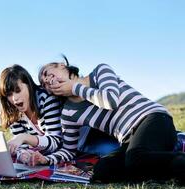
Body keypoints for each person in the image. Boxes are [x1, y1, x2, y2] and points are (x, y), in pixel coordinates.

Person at [33, 55, 185, 182]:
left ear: (61, 65)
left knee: (136, 159)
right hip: (129, 138)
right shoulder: (68, 113)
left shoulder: (100, 72)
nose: (47, 81)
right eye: (44, 84)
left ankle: (177, 159)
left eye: (47, 73)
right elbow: (68, 150)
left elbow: (111, 100)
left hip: (153, 118)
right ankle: (162, 162)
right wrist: (46, 160)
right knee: (103, 169)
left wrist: (74, 87)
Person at [0, 64, 63, 164]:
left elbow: (56, 142)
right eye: (9, 94)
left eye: (18, 90)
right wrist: (23, 155)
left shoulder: (46, 98)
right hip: (45, 157)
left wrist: (24, 137)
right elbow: (21, 146)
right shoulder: (13, 111)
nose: (15, 98)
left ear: (28, 85)